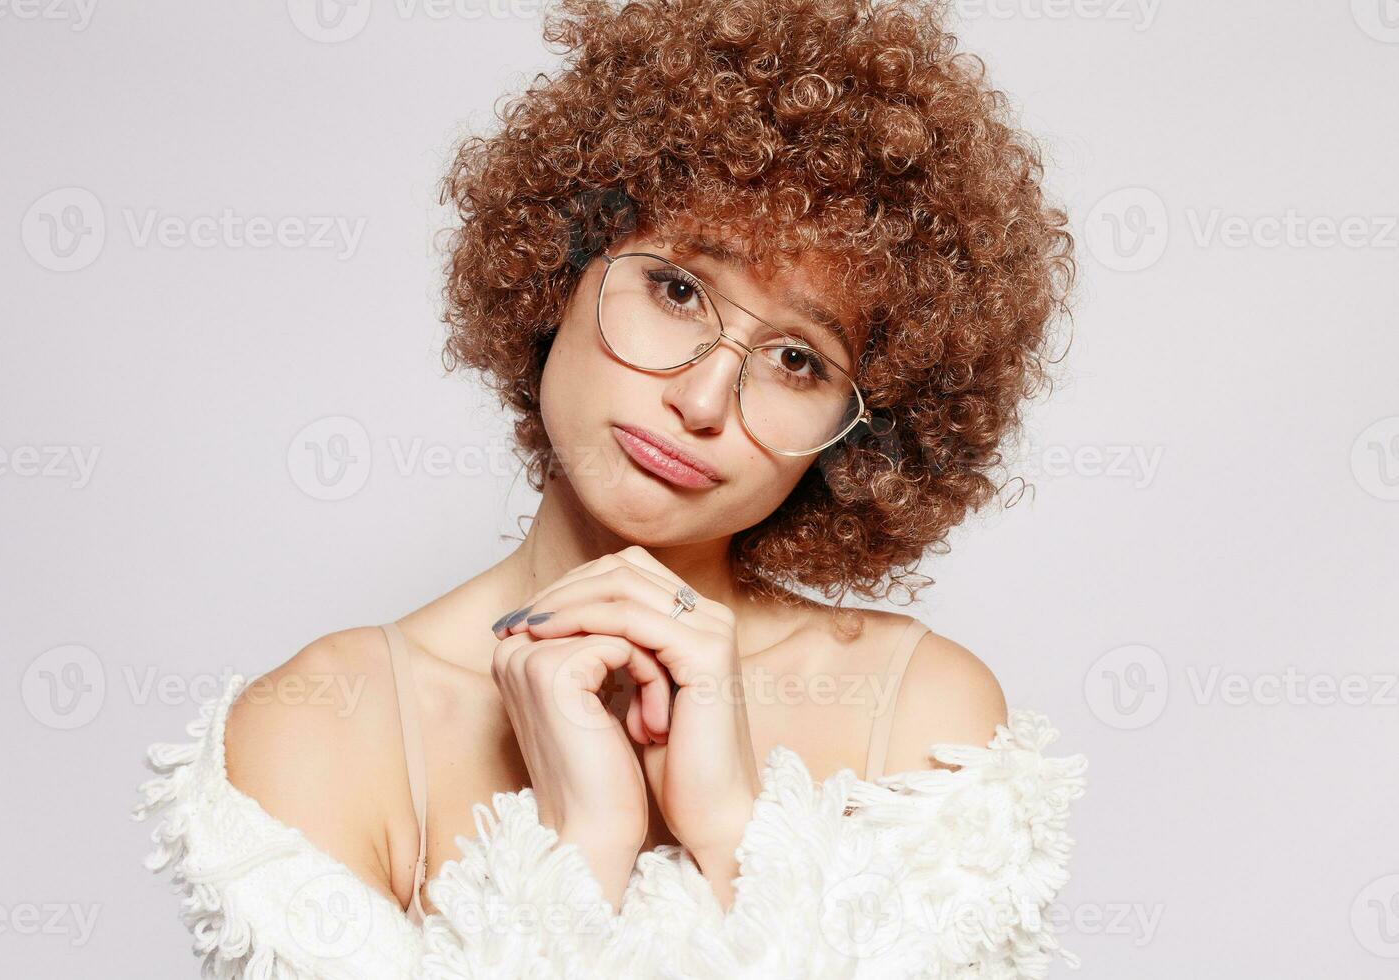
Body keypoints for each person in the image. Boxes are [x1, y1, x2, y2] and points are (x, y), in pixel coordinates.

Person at [133, 0, 1087, 976]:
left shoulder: (923, 717)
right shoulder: (324, 724)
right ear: (558, 260)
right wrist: (580, 848)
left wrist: (731, 831)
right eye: (678, 290)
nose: (706, 397)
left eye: (798, 358)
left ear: (863, 428)